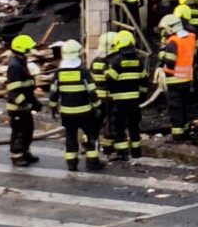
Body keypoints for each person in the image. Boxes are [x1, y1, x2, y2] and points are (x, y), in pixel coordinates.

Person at [49, 39, 103, 172]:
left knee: (70, 137)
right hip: (85, 112)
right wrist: (98, 107)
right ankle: (92, 163)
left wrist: (53, 107)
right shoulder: (84, 72)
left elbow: (53, 93)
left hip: (67, 113)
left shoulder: (58, 73)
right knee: (91, 136)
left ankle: (72, 163)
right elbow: (92, 92)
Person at [105, 29, 146, 160]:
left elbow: (109, 80)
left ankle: (122, 153)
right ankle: (136, 151)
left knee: (119, 126)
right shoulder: (139, 61)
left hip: (119, 101)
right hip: (134, 100)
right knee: (134, 126)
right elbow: (145, 81)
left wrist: (110, 94)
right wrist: (142, 96)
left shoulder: (116, 62)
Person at [158, 14, 196, 142]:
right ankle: (185, 131)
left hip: (174, 79)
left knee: (175, 108)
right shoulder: (190, 37)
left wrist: (161, 53)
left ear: (170, 28)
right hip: (187, 78)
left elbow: (170, 60)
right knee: (184, 107)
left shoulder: (173, 41)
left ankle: (177, 135)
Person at [6, 34, 41, 168]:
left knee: (28, 130)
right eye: (29, 49)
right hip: (17, 108)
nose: (31, 51)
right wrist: (23, 103)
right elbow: (14, 90)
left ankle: (25, 152)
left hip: (24, 106)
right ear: (23, 49)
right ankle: (17, 155)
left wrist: (34, 102)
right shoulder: (15, 66)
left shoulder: (21, 63)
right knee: (19, 132)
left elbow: (26, 88)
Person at [91, 30, 118, 159]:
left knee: (95, 122)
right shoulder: (110, 62)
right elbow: (113, 79)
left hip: (96, 97)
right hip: (108, 97)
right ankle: (108, 147)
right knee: (109, 122)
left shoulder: (95, 61)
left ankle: (88, 143)